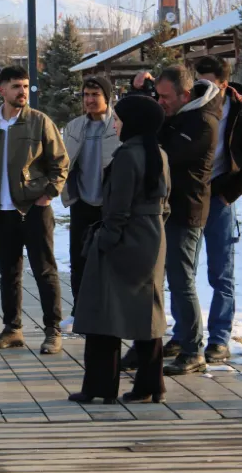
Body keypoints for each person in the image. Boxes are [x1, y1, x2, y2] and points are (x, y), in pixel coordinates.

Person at [69, 95, 171, 405]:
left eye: (120, 119)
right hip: (152, 239)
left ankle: (100, 386)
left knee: (103, 312)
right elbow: (166, 203)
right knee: (145, 313)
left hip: (124, 239)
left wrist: (106, 241)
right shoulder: (160, 154)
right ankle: (150, 385)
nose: (115, 124)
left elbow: (118, 207)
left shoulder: (128, 156)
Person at [0, 66, 70, 355]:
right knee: (8, 273)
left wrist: (47, 195)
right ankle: (13, 329)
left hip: (33, 210)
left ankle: (53, 330)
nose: (22, 91)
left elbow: (60, 163)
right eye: (15, 86)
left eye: (25, 86)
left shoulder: (39, 122)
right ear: (2, 90)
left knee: (44, 271)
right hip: (0, 212)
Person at [125, 66, 220, 376]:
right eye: (158, 96)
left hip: (185, 212)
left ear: (186, 95)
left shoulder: (202, 122)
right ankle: (167, 342)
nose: (160, 102)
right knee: (156, 281)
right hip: (163, 210)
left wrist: (154, 119)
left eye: (165, 97)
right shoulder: (179, 115)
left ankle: (194, 349)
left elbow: (163, 151)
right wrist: (142, 94)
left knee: (181, 282)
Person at [194, 56, 242, 363]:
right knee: (181, 272)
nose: (203, 88)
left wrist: (229, 196)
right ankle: (187, 336)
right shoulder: (192, 108)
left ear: (224, 85)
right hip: (190, 199)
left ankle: (219, 339)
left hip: (220, 199)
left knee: (221, 274)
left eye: (209, 83)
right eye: (198, 82)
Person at [60, 76, 120, 325]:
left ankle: (109, 312)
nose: (90, 100)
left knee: (109, 261)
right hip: (81, 201)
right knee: (79, 259)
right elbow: (63, 162)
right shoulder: (74, 127)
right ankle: (79, 311)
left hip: (110, 205)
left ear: (107, 97)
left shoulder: (118, 126)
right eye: (86, 95)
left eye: (95, 94)